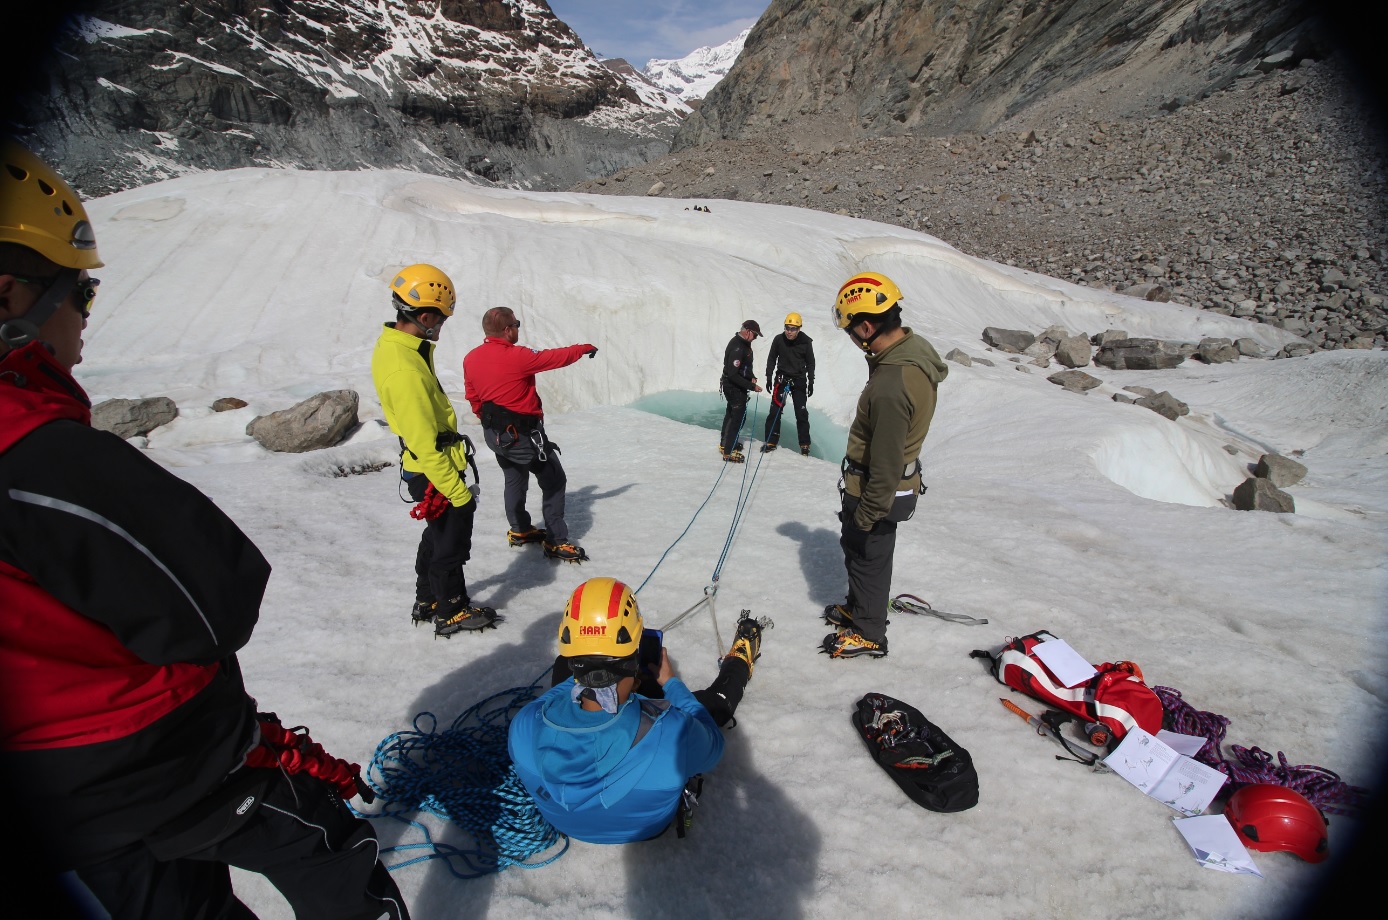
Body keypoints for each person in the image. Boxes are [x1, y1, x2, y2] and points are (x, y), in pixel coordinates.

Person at [0, 140, 408, 918]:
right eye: (79, 292)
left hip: (58, 796)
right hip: (160, 756)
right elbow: (216, 596)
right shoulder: (36, 454)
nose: (86, 317)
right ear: (11, 296)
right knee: (334, 859)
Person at [508, 577, 767, 843]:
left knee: (564, 671)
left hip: (566, 824)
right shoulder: (673, 732)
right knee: (710, 706)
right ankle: (738, 663)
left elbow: (556, 693)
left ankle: (597, 667)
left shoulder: (524, 724)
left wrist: (591, 668)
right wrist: (671, 683)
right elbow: (713, 746)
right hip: (647, 829)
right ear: (635, 654)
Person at [822, 272, 947, 659]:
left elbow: (887, 458)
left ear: (866, 325)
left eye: (850, 331)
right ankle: (861, 611)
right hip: (885, 486)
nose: (851, 339)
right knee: (862, 555)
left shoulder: (893, 383)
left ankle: (869, 632)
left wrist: (868, 514)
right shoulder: (909, 351)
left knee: (868, 556)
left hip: (877, 490)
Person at [372, 263, 496, 636]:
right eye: (440, 319)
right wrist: (459, 494)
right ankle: (450, 610)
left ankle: (427, 599)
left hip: (426, 468)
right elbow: (425, 445)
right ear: (424, 315)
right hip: (433, 469)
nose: (441, 326)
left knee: (436, 535)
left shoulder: (400, 348)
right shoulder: (405, 370)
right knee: (450, 542)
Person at [462, 306, 596, 562]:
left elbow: (473, 395)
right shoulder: (517, 356)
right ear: (507, 329)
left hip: (496, 435)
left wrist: (491, 423)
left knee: (514, 477)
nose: (518, 328)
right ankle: (557, 540)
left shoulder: (471, 358)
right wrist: (582, 349)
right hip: (523, 437)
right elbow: (554, 358)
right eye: (516, 324)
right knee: (554, 480)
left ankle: (520, 529)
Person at [760, 312, 816, 455]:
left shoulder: (806, 342)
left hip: (799, 380)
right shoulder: (779, 340)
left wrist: (810, 382)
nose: (789, 332)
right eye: (787, 328)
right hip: (782, 378)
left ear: (799, 329)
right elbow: (772, 358)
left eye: (793, 329)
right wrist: (768, 376)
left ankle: (804, 444)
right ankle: (771, 441)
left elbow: (810, 363)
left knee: (801, 413)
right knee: (775, 411)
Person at [718, 319, 763, 462]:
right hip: (734, 388)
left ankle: (725, 444)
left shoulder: (743, 344)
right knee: (737, 418)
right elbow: (733, 374)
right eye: (755, 335)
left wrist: (751, 377)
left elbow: (744, 368)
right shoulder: (738, 347)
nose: (755, 338)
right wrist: (751, 386)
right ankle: (728, 452)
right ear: (748, 331)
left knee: (731, 414)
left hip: (736, 386)